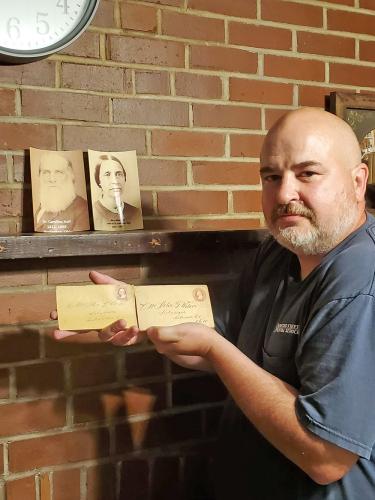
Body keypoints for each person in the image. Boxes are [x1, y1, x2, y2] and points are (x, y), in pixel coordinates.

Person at [52, 108, 375, 499]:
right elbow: (213, 340)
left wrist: (214, 349)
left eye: (307, 174)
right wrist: (135, 310)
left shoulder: (361, 280)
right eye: (271, 176)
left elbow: (326, 457)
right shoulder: (279, 253)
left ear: (358, 182)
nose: (285, 193)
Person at [35, 152, 90, 232]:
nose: (52, 179)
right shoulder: (43, 207)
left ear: (71, 176)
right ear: (39, 176)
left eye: (58, 172)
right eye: (46, 172)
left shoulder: (82, 210)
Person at [92, 154, 141, 231]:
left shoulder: (136, 213)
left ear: (124, 178)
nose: (115, 181)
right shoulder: (92, 212)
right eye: (107, 174)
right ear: (99, 181)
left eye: (119, 174)